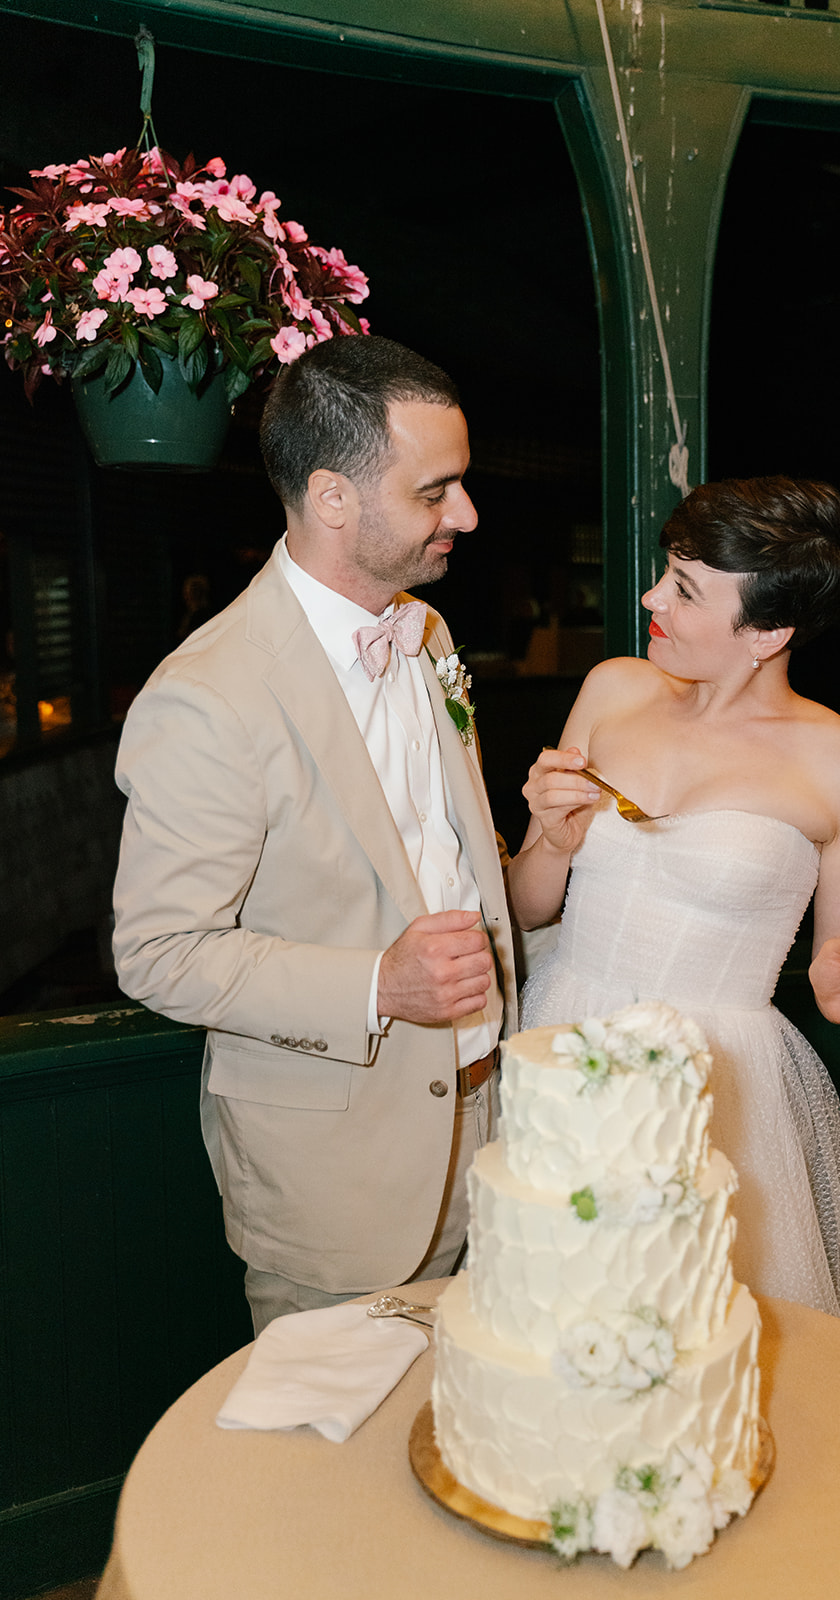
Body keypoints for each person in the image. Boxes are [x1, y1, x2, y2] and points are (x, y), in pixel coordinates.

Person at [112, 334, 516, 1335]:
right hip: (342, 1184)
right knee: (337, 1478)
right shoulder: (207, 697)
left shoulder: (427, 636)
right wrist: (381, 985)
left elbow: (451, 867)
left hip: (500, 1137)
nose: (463, 514)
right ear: (334, 497)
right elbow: (158, 954)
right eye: (436, 491)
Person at [510, 476, 840, 1337]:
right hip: (560, 1035)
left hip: (713, 1080)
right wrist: (549, 838)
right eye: (666, 571)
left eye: (686, 588)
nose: (651, 595)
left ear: (768, 630)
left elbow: (839, 971)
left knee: (691, 1338)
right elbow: (528, 906)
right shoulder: (614, 688)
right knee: (550, 1322)